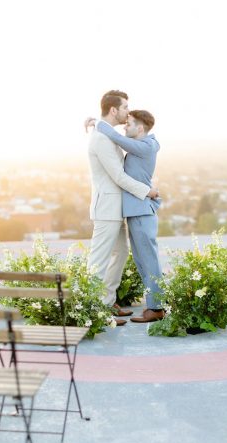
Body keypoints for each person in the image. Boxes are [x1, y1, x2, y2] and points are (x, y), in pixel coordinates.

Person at [87, 90, 159, 326]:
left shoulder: (106, 135)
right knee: (99, 259)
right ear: (113, 110)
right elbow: (118, 175)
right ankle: (93, 310)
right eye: (126, 107)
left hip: (117, 208)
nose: (128, 112)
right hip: (107, 207)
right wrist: (146, 191)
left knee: (120, 254)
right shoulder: (100, 138)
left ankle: (107, 302)